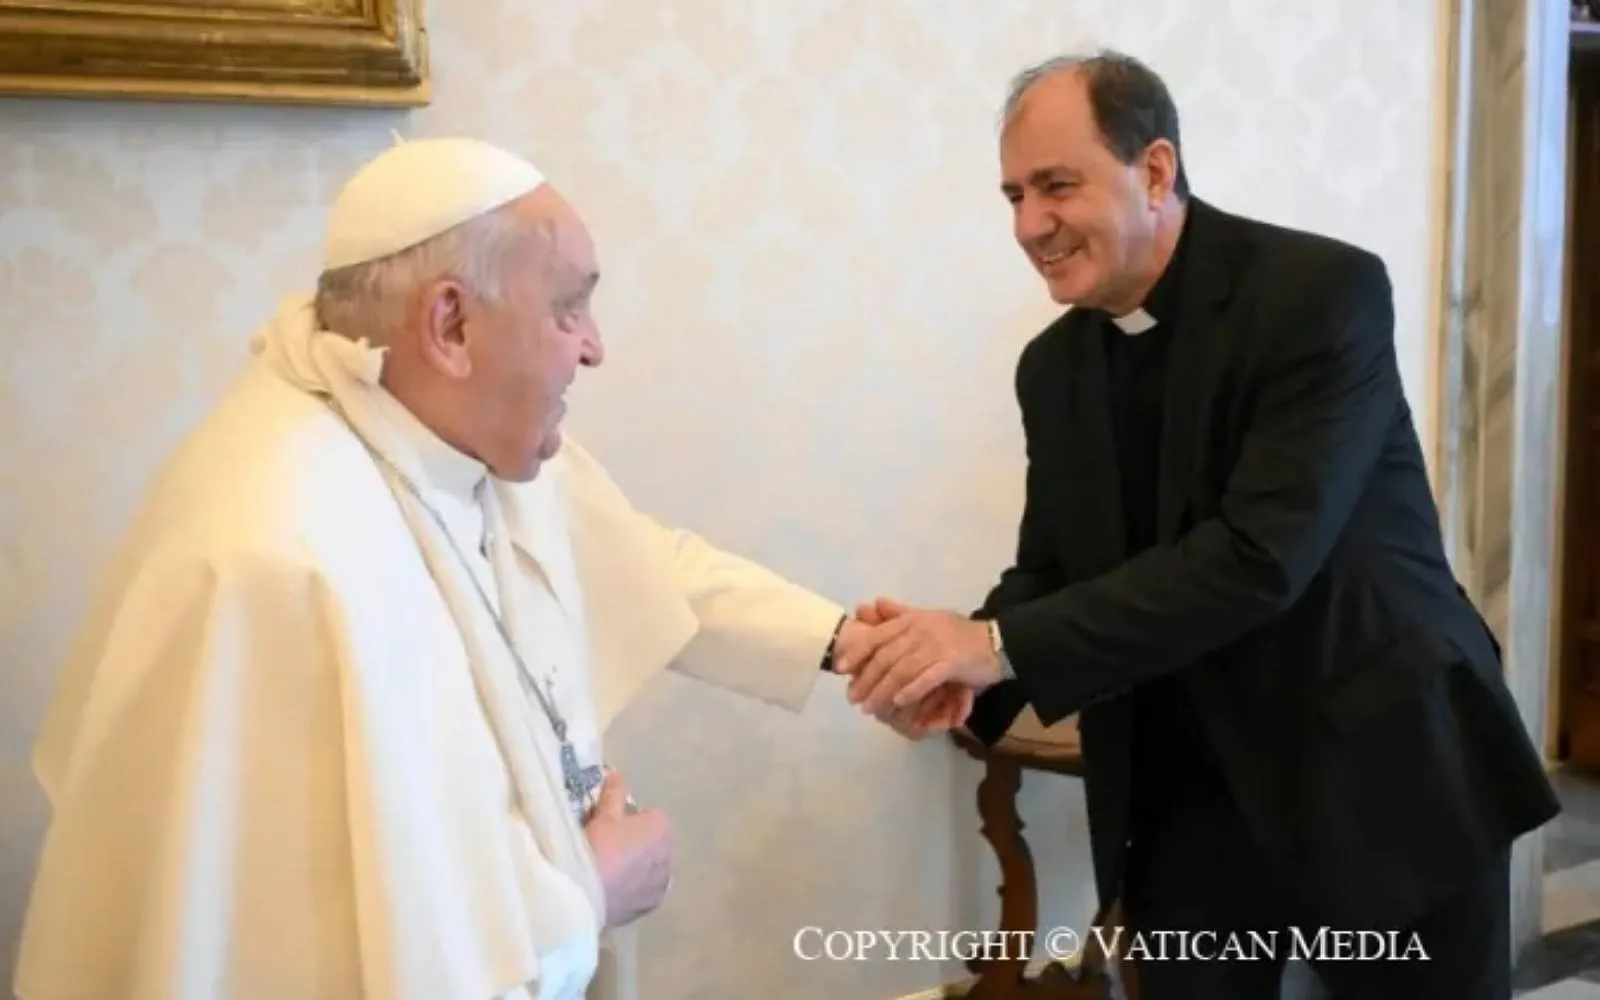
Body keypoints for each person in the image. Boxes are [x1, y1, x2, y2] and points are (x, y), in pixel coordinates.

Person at [9, 136, 932, 1000]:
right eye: (569, 305)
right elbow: (305, 950)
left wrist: (847, 642)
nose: (594, 346)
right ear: (449, 322)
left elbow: (639, 558)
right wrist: (587, 900)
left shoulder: (428, 422)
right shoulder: (281, 552)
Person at [837, 51, 1561, 1000]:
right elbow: (1052, 569)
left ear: (1156, 170)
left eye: (1057, 185)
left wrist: (992, 642)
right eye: (1013, 194)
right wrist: (955, 674)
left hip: (1379, 761)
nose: (1028, 225)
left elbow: (1260, 559)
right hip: (1187, 793)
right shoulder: (1052, 369)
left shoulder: (1320, 295)